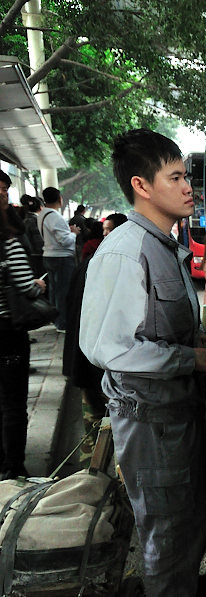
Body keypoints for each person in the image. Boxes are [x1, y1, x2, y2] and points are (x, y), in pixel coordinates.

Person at [79, 129, 206, 597]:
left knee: (187, 528)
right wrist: (189, 359)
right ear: (142, 186)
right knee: (167, 539)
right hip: (152, 425)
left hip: (178, 417)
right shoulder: (124, 250)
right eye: (175, 177)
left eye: (186, 176)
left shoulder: (165, 245)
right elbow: (107, 347)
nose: (187, 187)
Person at [63, 213, 128, 463]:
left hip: (91, 363)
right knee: (105, 432)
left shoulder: (95, 263)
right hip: (100, 366)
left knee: (98, 433)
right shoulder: (105, 266)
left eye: (112, 231)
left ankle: (94, 486)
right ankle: (96, 489)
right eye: (105, 231)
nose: (107, 236)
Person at [0, 178, 47, 480]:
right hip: (6, 333)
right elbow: (27, 289)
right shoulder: (8, 244)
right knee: (13, 403)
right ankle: (12, 467)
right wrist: (39, 285)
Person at [38, 186, 78, 332]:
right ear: (59, 199)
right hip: (61, 258)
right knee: (64, 291)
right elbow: (64, 241)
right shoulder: (55, 216)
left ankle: (56, 320)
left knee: (55, 291)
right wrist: (74, 233)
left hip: (48, 256)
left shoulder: (42, 215)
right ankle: (62, 323)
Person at [20, 194, 44, 277]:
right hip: (38, 256)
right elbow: (38, 240)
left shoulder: (26, 220)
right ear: (41, 207)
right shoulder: (36, 220)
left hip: (31, 255)